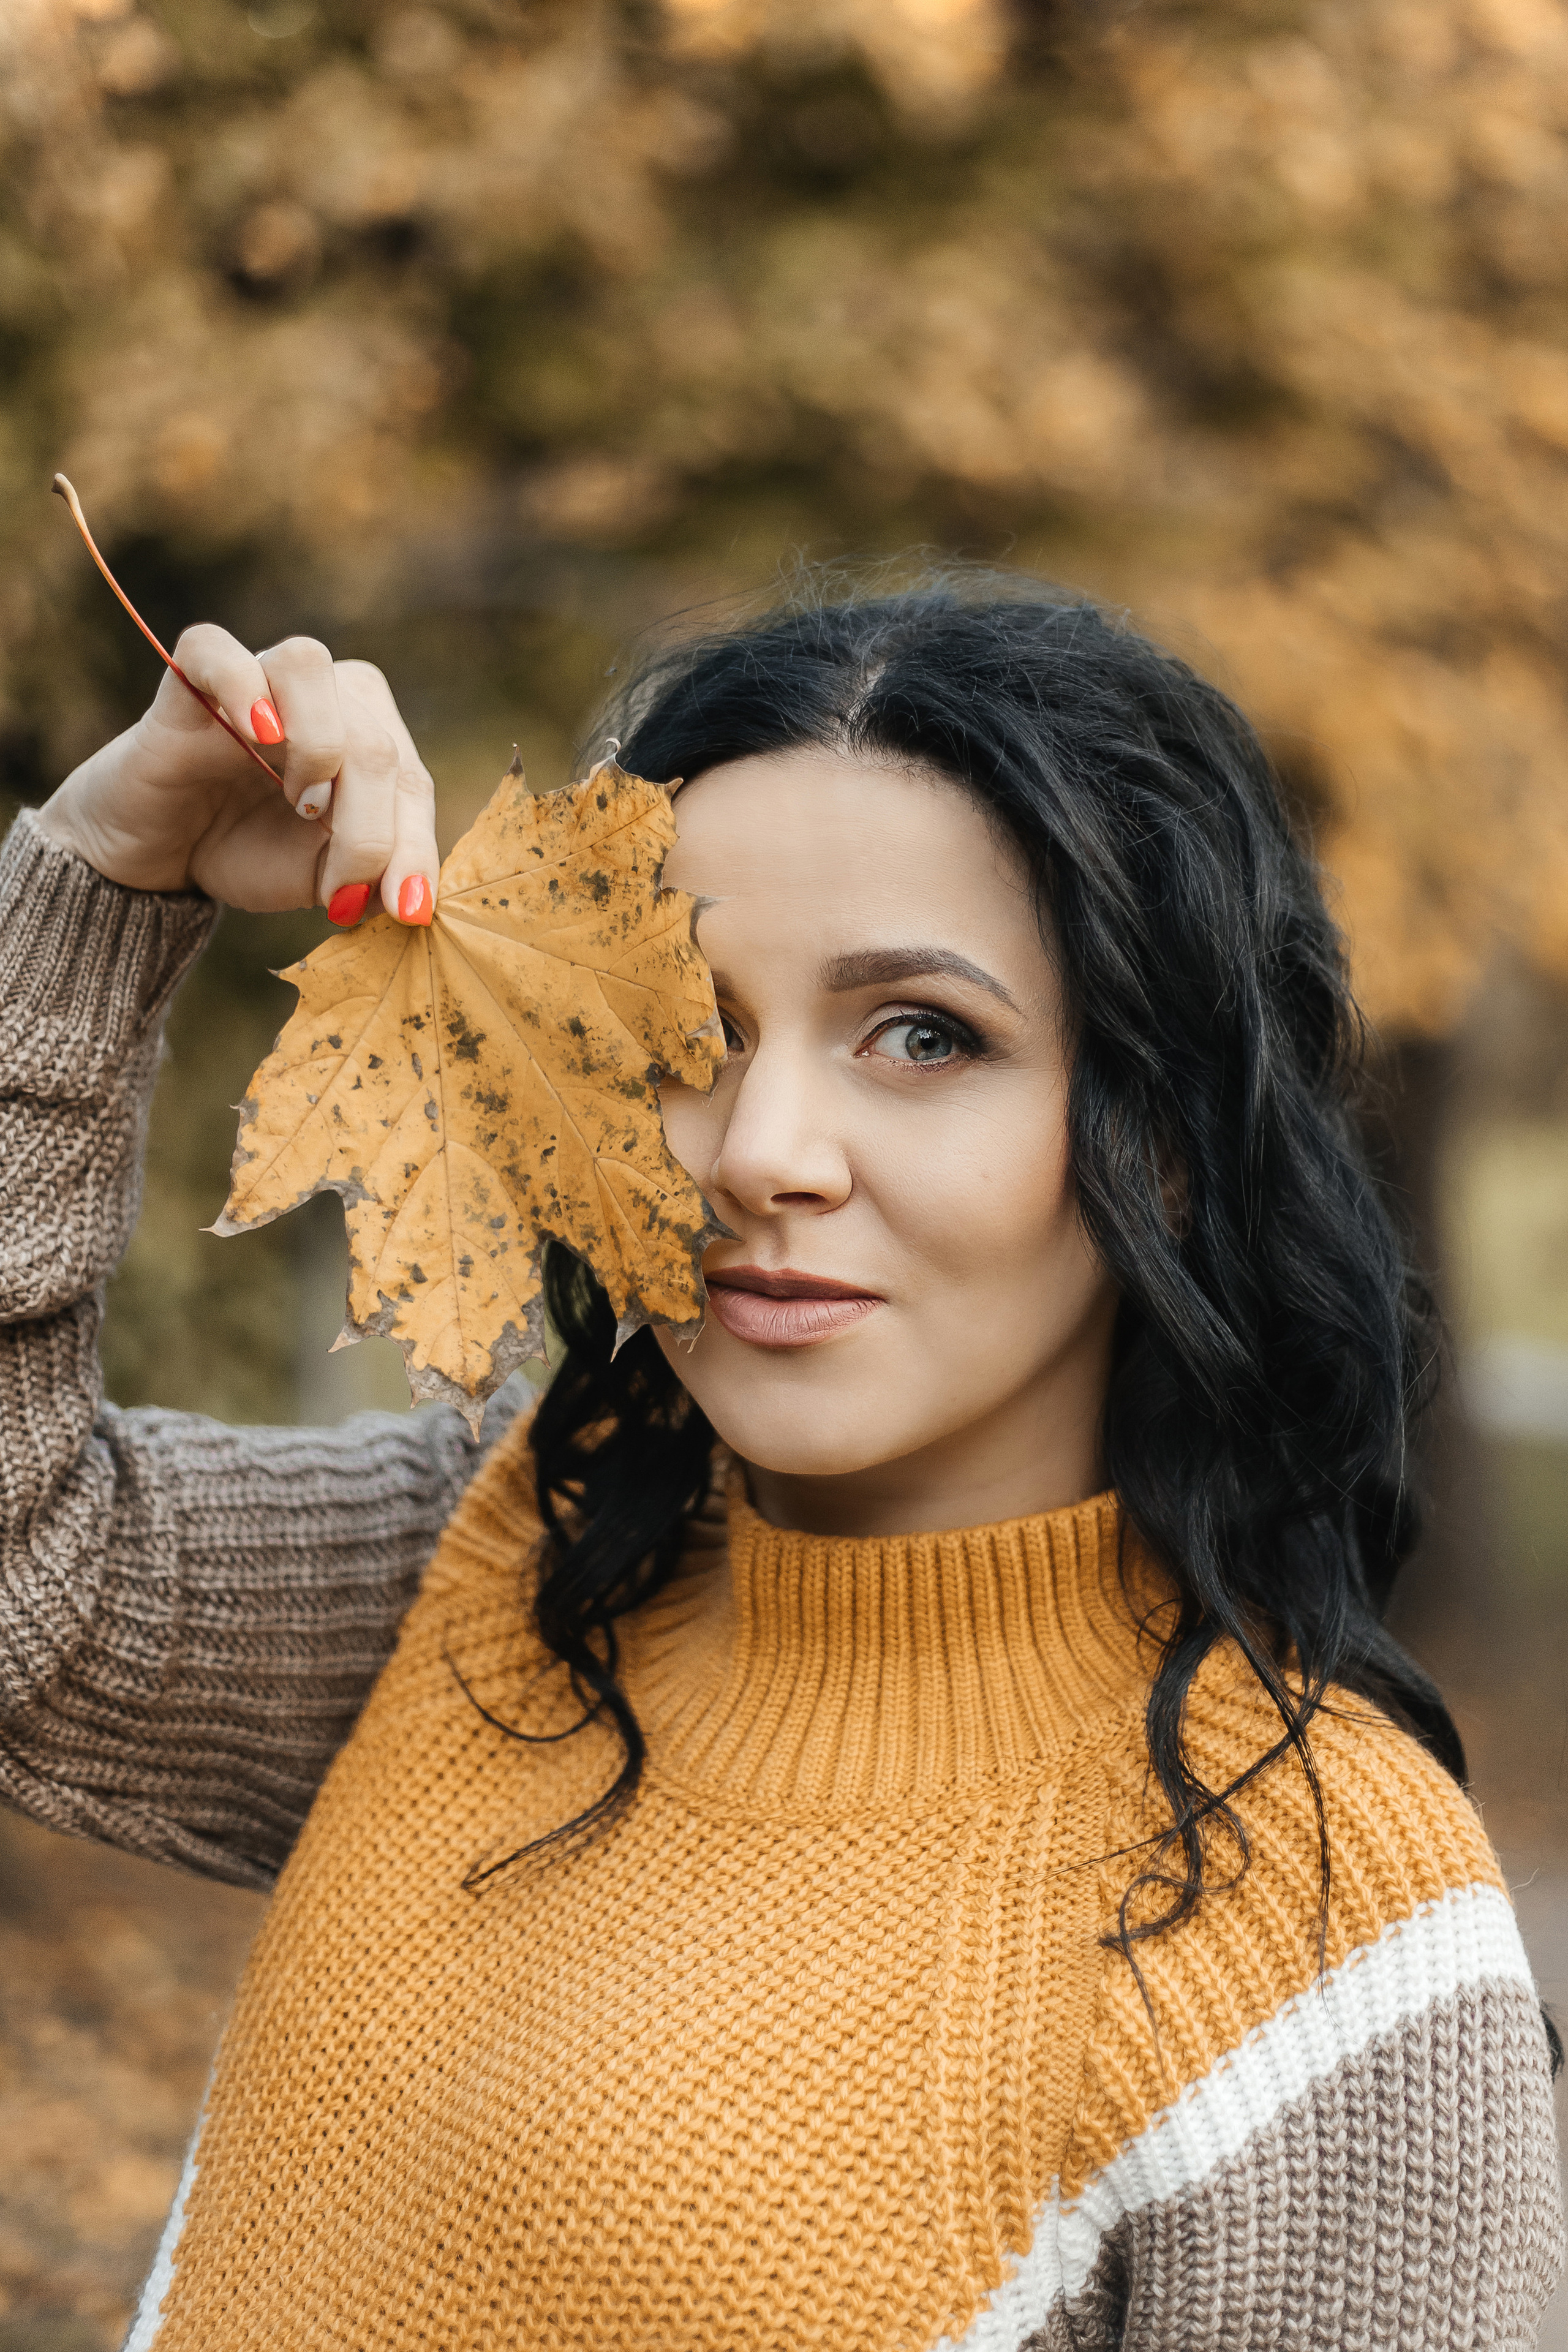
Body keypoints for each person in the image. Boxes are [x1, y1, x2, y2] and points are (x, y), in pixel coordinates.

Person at [2, 576, 1561, 2351]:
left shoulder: (1319, 1918)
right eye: (690, 1028)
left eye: (923, 1035)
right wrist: (95, 885)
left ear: (1170, 1139)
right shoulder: (522, 1551)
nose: (761, 1152)